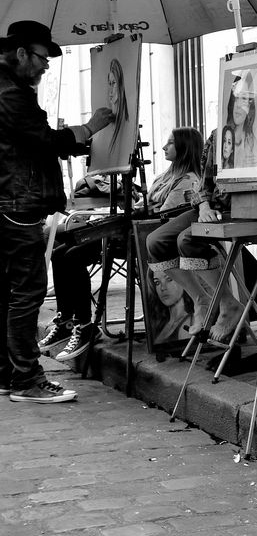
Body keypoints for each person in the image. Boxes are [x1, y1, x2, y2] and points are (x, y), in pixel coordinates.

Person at [0, 20, 114, 403]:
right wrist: (89, 128)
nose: (46, 65)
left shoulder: (9, 88)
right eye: (42, 57)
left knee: (10, 292)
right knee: (27, 292)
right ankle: (27, 380)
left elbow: (30, 145)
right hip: (16, 203)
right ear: (21, 54)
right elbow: (43, 140)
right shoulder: (9, 94)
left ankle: (8, 372)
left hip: (11, 200)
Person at [145, 120, 257, 343]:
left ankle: (228, 303)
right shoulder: (217, 135)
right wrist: (204, 206)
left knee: (187, 240)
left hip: (255, 208)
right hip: (216, 207)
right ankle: (201, 299)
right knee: (155, 241)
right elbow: (203, 183)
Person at [40, 127, 204, 362]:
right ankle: (67, 319)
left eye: (170, 143)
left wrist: (139, 207)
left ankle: (85, 325)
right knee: (58, 252)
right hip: (128, 230)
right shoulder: (166, 176)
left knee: (72, 256)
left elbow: (164, 215)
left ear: (185, 148)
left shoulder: (188, 180)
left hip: (141, 236)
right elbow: (145, 205)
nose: (164, 147)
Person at [148, 269, 195, 346]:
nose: (163, 288)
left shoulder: (190, 322)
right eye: (157, 282)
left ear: (183, 281)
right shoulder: (161, 321)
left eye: (169, 279)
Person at [227, 71, 257, 168]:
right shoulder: (218, 138)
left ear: (251, 105)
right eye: (236, 98)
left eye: (244, 98)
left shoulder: (256, 140)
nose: (238, 105)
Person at [106, 57, 130, 153]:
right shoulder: (108, 119)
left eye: (114, 83)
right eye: (109, 83)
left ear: (120, 85)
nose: (110, 90)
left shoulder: (126, 121)